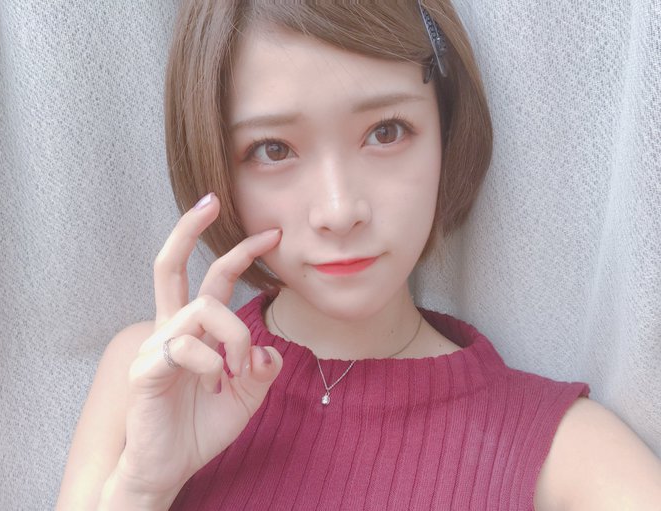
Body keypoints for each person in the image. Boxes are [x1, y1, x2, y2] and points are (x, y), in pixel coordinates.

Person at [56, 1, 661, 509]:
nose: (340, 210)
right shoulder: (149, 378)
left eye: (386, 132)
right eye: (273, 149)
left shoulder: (570, 458)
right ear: (215, 163)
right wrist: (142, 487)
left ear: (447, 133)